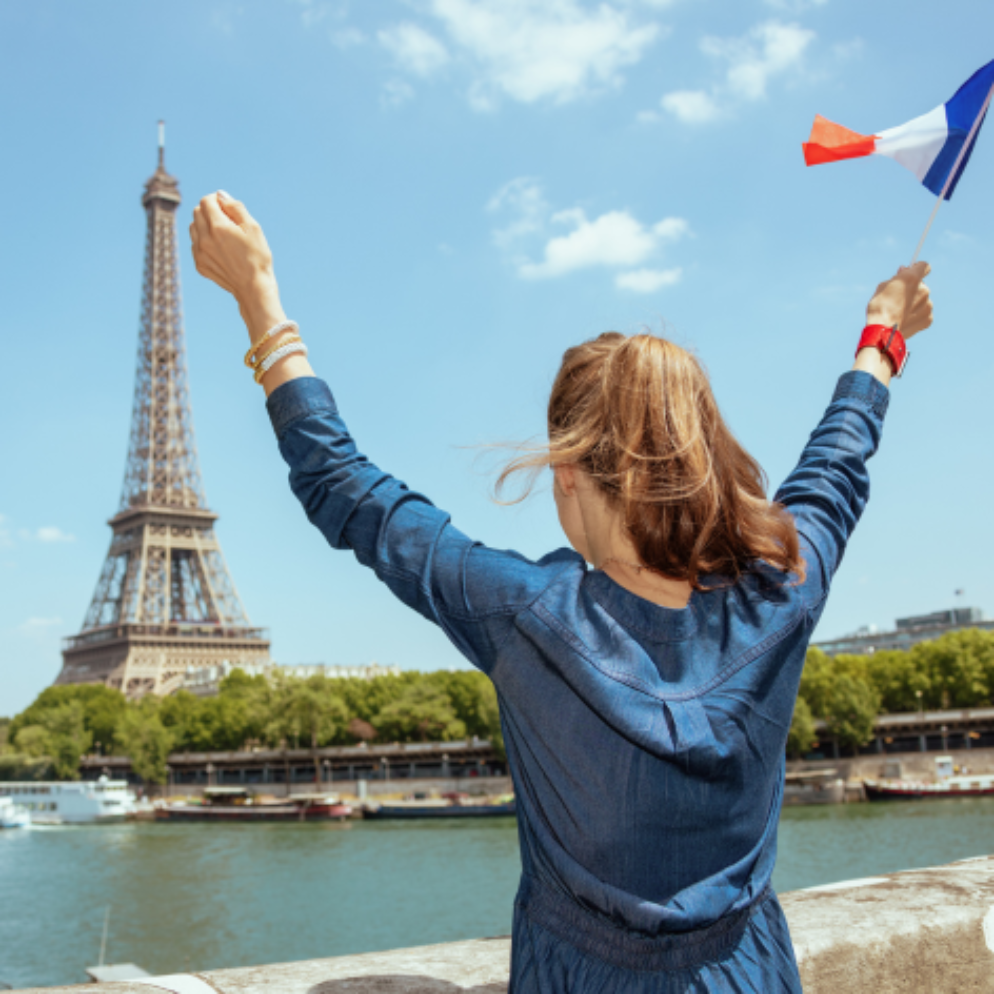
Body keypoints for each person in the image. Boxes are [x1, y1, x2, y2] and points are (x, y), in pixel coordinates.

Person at [190, 191, 932, 992]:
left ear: (570, 471)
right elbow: (836, 466)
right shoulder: (780, 590)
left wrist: (259, 300)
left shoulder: (528, 614)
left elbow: (346, 487)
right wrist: (881, 338)